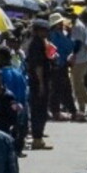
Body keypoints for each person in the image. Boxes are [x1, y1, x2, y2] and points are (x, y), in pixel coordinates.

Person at [26, 19, 53, 151]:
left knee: (41, 110)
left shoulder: (41, 42)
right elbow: (38, 67)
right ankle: (37, 139)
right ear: (37, 31)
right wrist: (41, 84)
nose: (46, 32)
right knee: (39, 111)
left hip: (41, 81)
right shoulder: (36, 45)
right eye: (43, 30)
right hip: (38, 82)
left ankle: (39, 138)